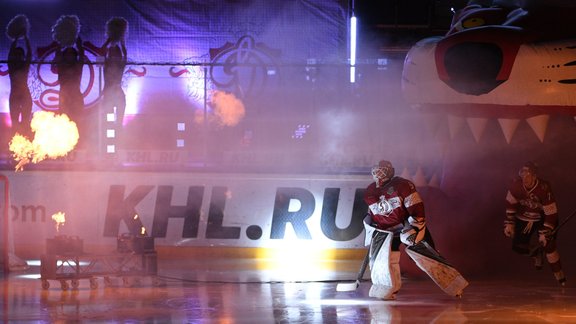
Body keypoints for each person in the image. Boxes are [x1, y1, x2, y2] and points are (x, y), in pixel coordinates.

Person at [363, 160, 435, 300]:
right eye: (376, 171)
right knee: (382, 261)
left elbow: (416, 206)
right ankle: (389, 288)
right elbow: (373, 212)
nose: (378, 174)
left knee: (424, 254)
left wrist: (417, 226)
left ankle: (446, 274)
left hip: (405, 227)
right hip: (385, 230)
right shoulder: (370, 190)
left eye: (382, 171)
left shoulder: (402, 185)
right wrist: (370, 225)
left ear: (390, 171)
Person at [504, 161, 566, 286]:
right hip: (525, 217)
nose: (525, 178)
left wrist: (545, 232)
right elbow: (511, 204)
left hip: (543, 218)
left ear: (535, 176)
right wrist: (510, 223)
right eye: (523, 175)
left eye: (528, 175)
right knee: (518, 247)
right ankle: (536, 253)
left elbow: (551, 213)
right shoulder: (515, 185)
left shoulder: (544, 188)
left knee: (548, 245)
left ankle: (559, 273)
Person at [8, 35, 32, 137]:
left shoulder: (24, 65)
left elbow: (29, 53)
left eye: (20, 55)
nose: (18, 57)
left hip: (25, 95)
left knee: (26, 121)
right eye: (16, 55)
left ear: (22, 56)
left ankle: (25, 142)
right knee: (14, 121)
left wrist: (26, 38)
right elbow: (10, 53)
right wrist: (16, 38)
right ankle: (15, 143)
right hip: (14, 95)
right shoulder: (11, 65)